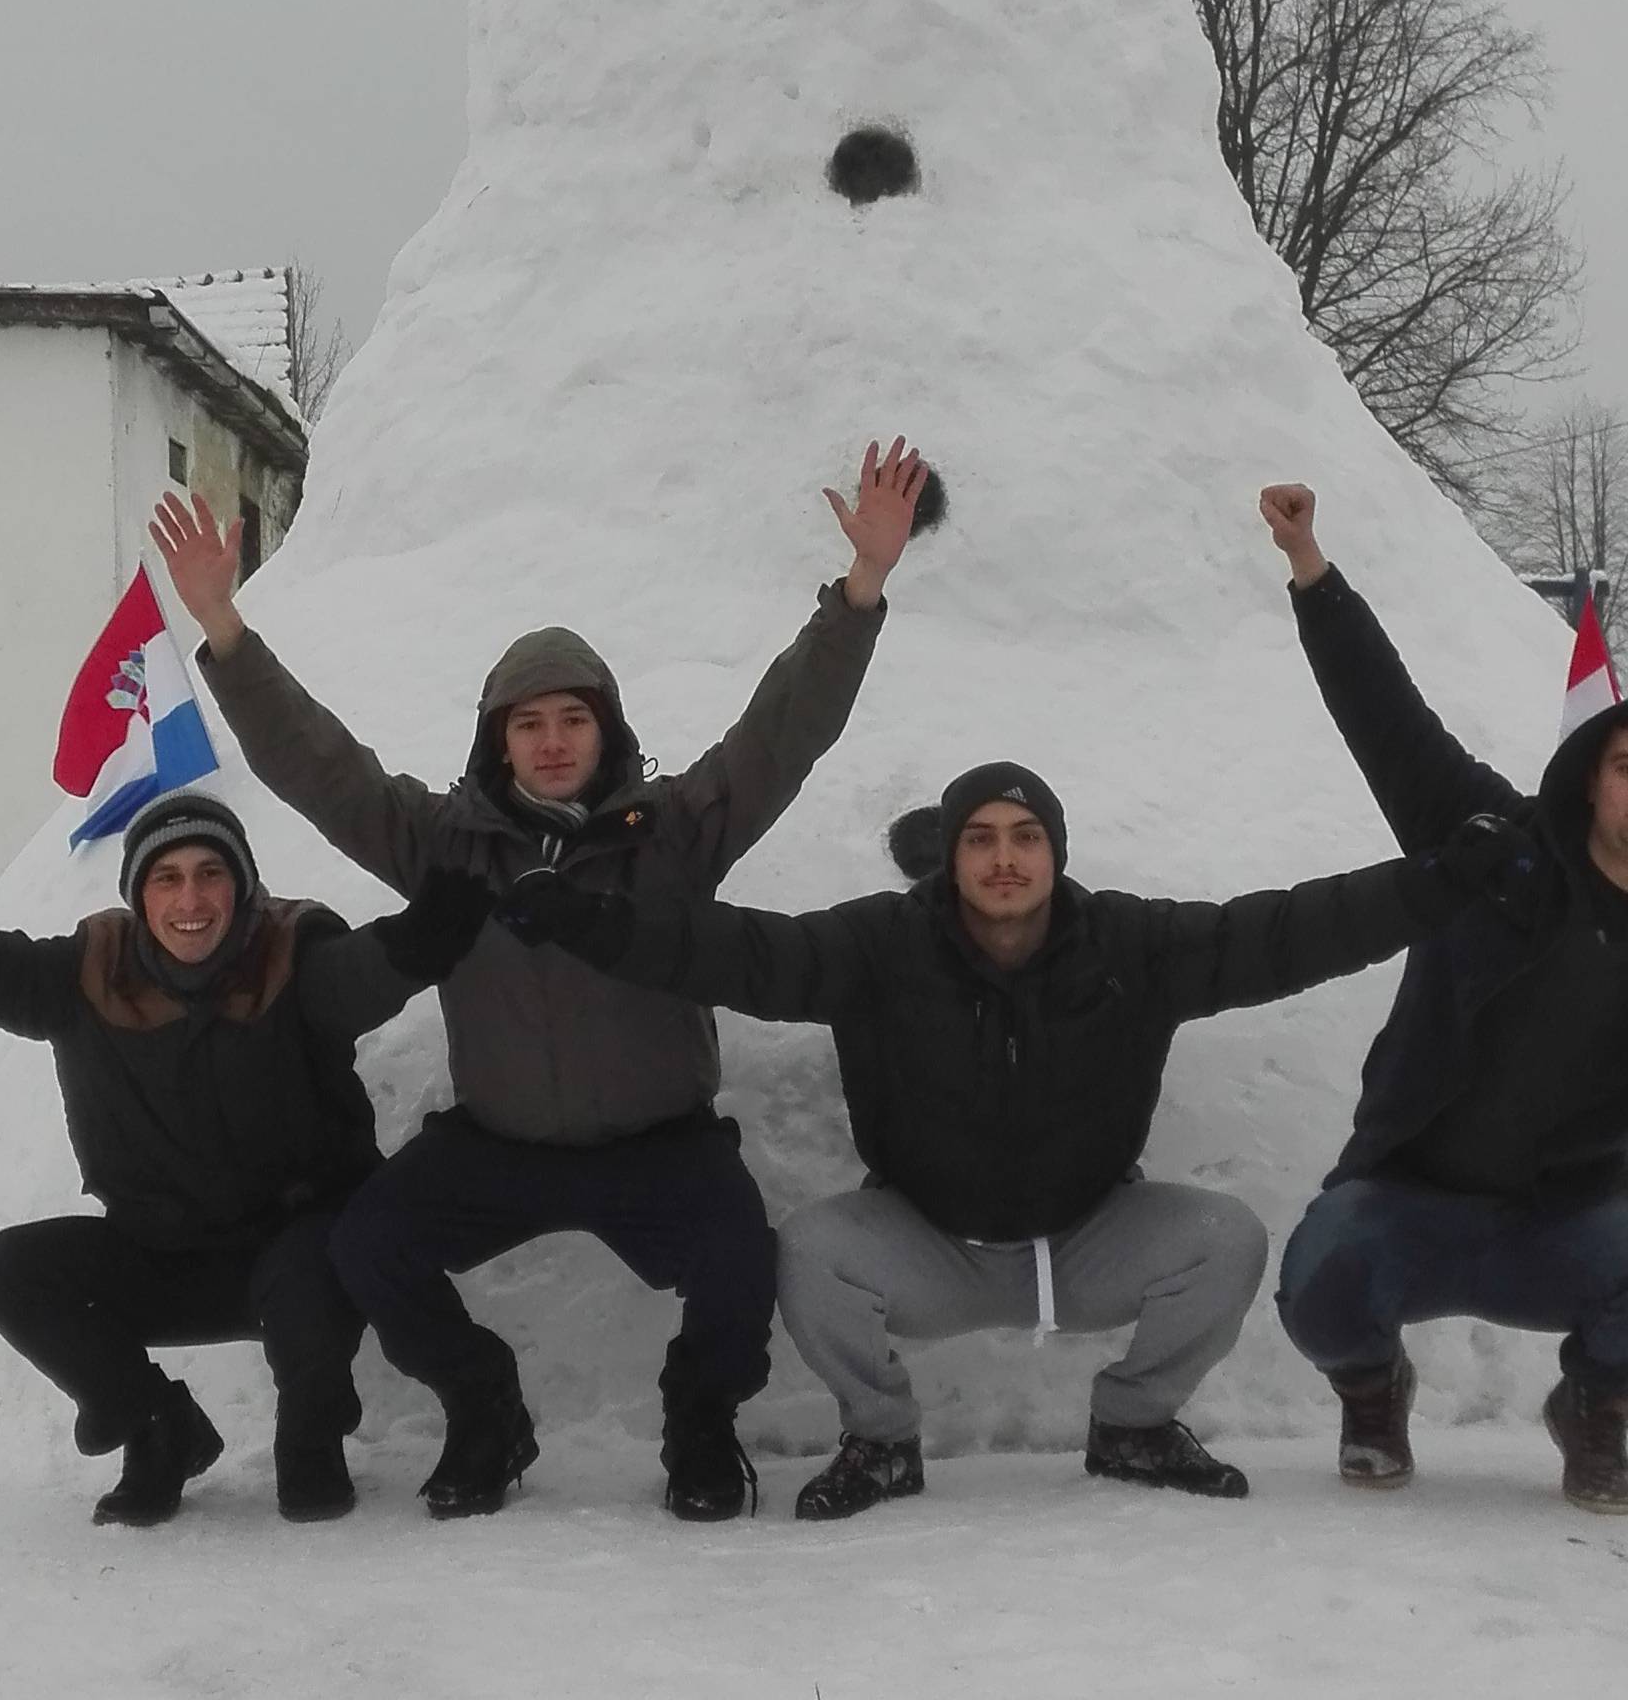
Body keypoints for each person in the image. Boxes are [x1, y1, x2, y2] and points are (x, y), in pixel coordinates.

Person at [152, 442, 927, 1521]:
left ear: (605, 730)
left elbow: (780, 735)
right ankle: (482, 1408)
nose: (553, 740)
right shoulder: (443, 842)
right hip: (498, 1144)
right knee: (370, 1244)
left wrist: (860, 591)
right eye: (529, 722)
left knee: (740, 1258)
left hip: (661, 1141)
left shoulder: (673, 833)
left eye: (574, 717)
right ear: (498, 740)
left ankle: (700, 1422)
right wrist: (225, 633)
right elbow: (320, 766)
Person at [499, 760, 1515, 1516]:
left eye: (1024, 836)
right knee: (812, 1246)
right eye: (979, 837)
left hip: (1087, 1237)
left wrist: (1442, 881)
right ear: (949, 856)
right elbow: (736, 951)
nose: (1002, 857)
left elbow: (1297, 927)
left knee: (1225, 1234)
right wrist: (591, 921)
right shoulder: (878, 945)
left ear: (1055, 853)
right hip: (928, 1242)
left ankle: (1136, 1425)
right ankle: (883, 1441)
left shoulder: (1131, 946)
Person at [0, 784, 487, 1527]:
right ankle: (158, 1428)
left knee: (319, 1266)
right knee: (13, 1270)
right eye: (168, 878)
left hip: (296, 1246)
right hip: (164, 1253)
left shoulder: (296, 963)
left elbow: (366, 972)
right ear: (138, 895)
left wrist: (425, 938)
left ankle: (310, 1435)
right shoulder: (79, 980)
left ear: (243, 886)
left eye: (212, 874)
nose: (191, 901)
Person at [1260, 482, 1628, 1512]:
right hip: (1408, 1198)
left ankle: (1598, 1403)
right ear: (1591, 780)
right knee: (1323, 1281)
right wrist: (1313, 570)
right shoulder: (1495, 847)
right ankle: (1374, 1389)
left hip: (1566, 1220)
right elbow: (1389, 721)